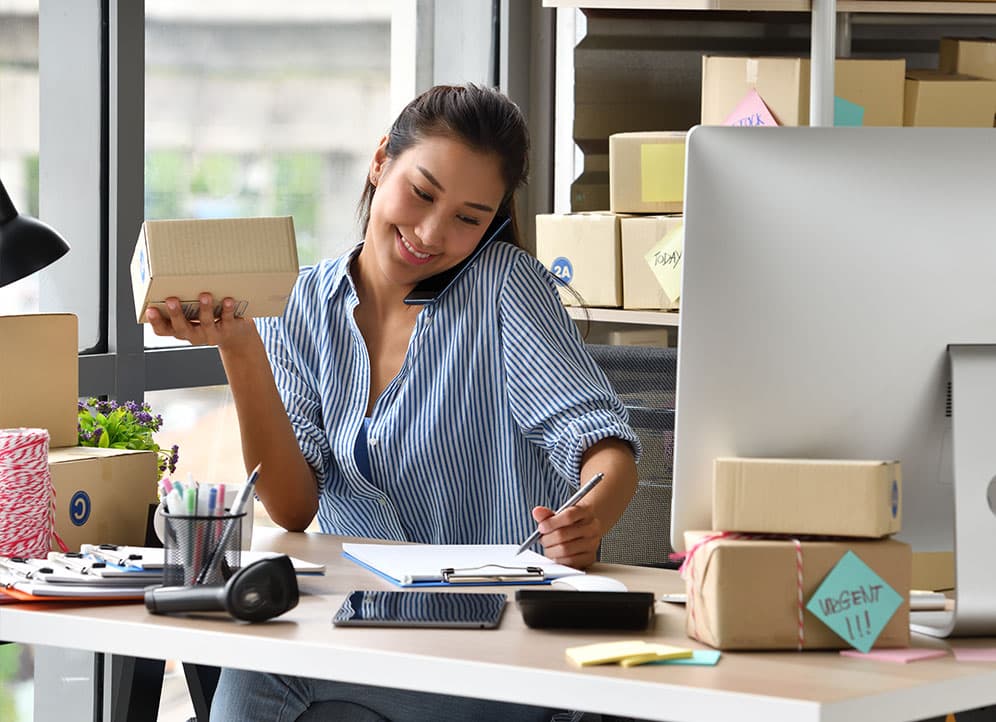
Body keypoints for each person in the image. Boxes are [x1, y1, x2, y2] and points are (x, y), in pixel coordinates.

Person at [147, 83, 639, 722]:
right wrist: (240, 348)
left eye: (469, 217)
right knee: (243, 654)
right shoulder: (302, 303)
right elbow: (294, 507)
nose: (431, 233)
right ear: (382, 160)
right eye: (423, 193)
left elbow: (606, 447)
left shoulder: (505, 288)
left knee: (261, 673)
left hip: (503, 645)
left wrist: (589, 519)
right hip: (368, 626)